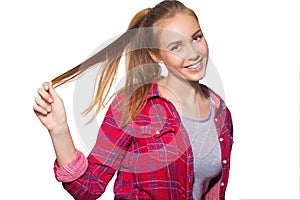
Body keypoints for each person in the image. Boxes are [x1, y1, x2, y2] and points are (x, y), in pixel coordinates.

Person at [33, 1, 233, 199]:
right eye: (176, 47)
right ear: (156, 55)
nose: (193, 53)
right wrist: (59, 130)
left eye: (196, 38)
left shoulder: (219, 112)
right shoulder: (134, 106)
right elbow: (88, 188)